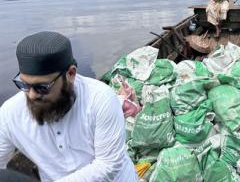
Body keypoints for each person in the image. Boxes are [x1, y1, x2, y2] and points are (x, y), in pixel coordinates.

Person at [0, 31, 139, 181]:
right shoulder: (9, 114)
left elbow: (108, 166)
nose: (32, 95)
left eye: (42, 87)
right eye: (24, 85)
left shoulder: (100, 99)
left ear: (71, 74)